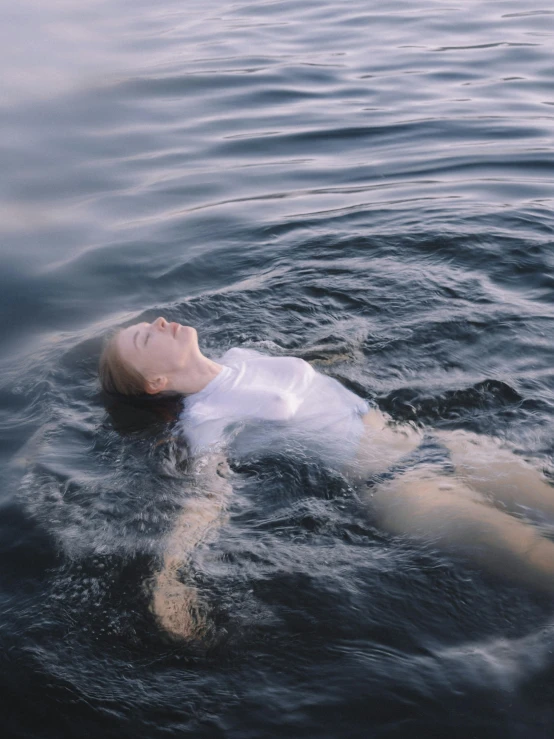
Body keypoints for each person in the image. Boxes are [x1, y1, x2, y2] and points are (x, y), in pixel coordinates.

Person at [99, 317, 554, 640]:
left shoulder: (242, 355)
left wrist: (341, 350)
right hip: (404, 488)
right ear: (156, 381)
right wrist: (171, 572)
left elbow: (306, 377)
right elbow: (208, 498)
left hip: (445, 443)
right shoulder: (205, 422)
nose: (159, 322)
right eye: (144, 338)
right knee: (538, 557)